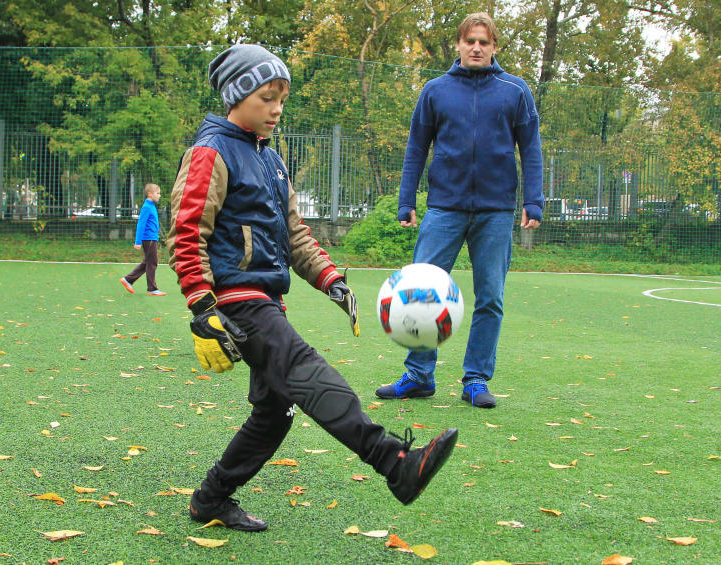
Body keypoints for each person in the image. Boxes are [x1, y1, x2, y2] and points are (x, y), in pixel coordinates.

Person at [167, 44, 458, 532]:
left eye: (282, 97)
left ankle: (211, 499)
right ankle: (395, 463)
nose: (277, 108)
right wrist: (201, 306)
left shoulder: (274, 163)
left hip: (266, 300)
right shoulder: (210, 152)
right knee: (307, 373)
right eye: (267, 96)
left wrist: (332, 281)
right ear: (236, 96)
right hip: (236, 302)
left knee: (274, 411)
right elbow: (187, 229)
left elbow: (295, 236)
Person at [376, 12, 544, 409]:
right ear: (458, 44)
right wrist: (406, 200)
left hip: (496, 212)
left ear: (495, 47)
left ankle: (476, 380)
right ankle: (418, 376)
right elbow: (416, 148)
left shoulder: (515, 91)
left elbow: (531, 150)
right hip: (443, 209)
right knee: (421, 295)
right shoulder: (435, 91)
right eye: (470, 40)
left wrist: (533, 200)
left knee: (490, 298)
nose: (476, 48)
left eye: (484, 42)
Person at [120, 183, 166, 296]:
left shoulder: (151, 206)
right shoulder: (146, 207)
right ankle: (151, 288)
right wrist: (138, 242)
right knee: (152, 262)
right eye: (157, 193)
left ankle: (129, 280)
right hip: (148, 239)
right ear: (150, 194)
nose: (159, 195)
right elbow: (141, 225)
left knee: (149, 261)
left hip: (152, 238)